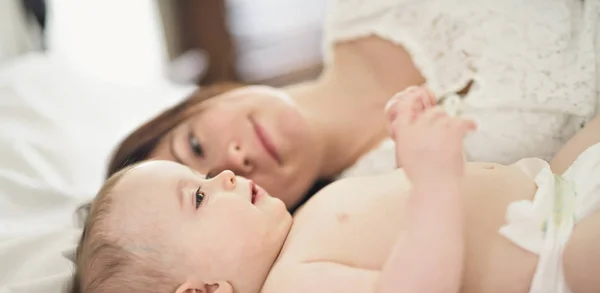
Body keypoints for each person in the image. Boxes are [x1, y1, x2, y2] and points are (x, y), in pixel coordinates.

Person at [72, 86, 600, 293]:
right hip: (551, 255)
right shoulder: (290, 289)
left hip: (554, 184)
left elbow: (406, 218)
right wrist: (434, 182)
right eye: (200, 196)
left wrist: (416, 149)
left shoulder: (305, 221)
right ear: (204, 292)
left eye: (204, 175)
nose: (226, 175)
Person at [107, 0, 599, 210]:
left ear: (201, 100)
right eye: (207, 191)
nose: (232, 161)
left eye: (194, 146)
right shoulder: (392, 197)